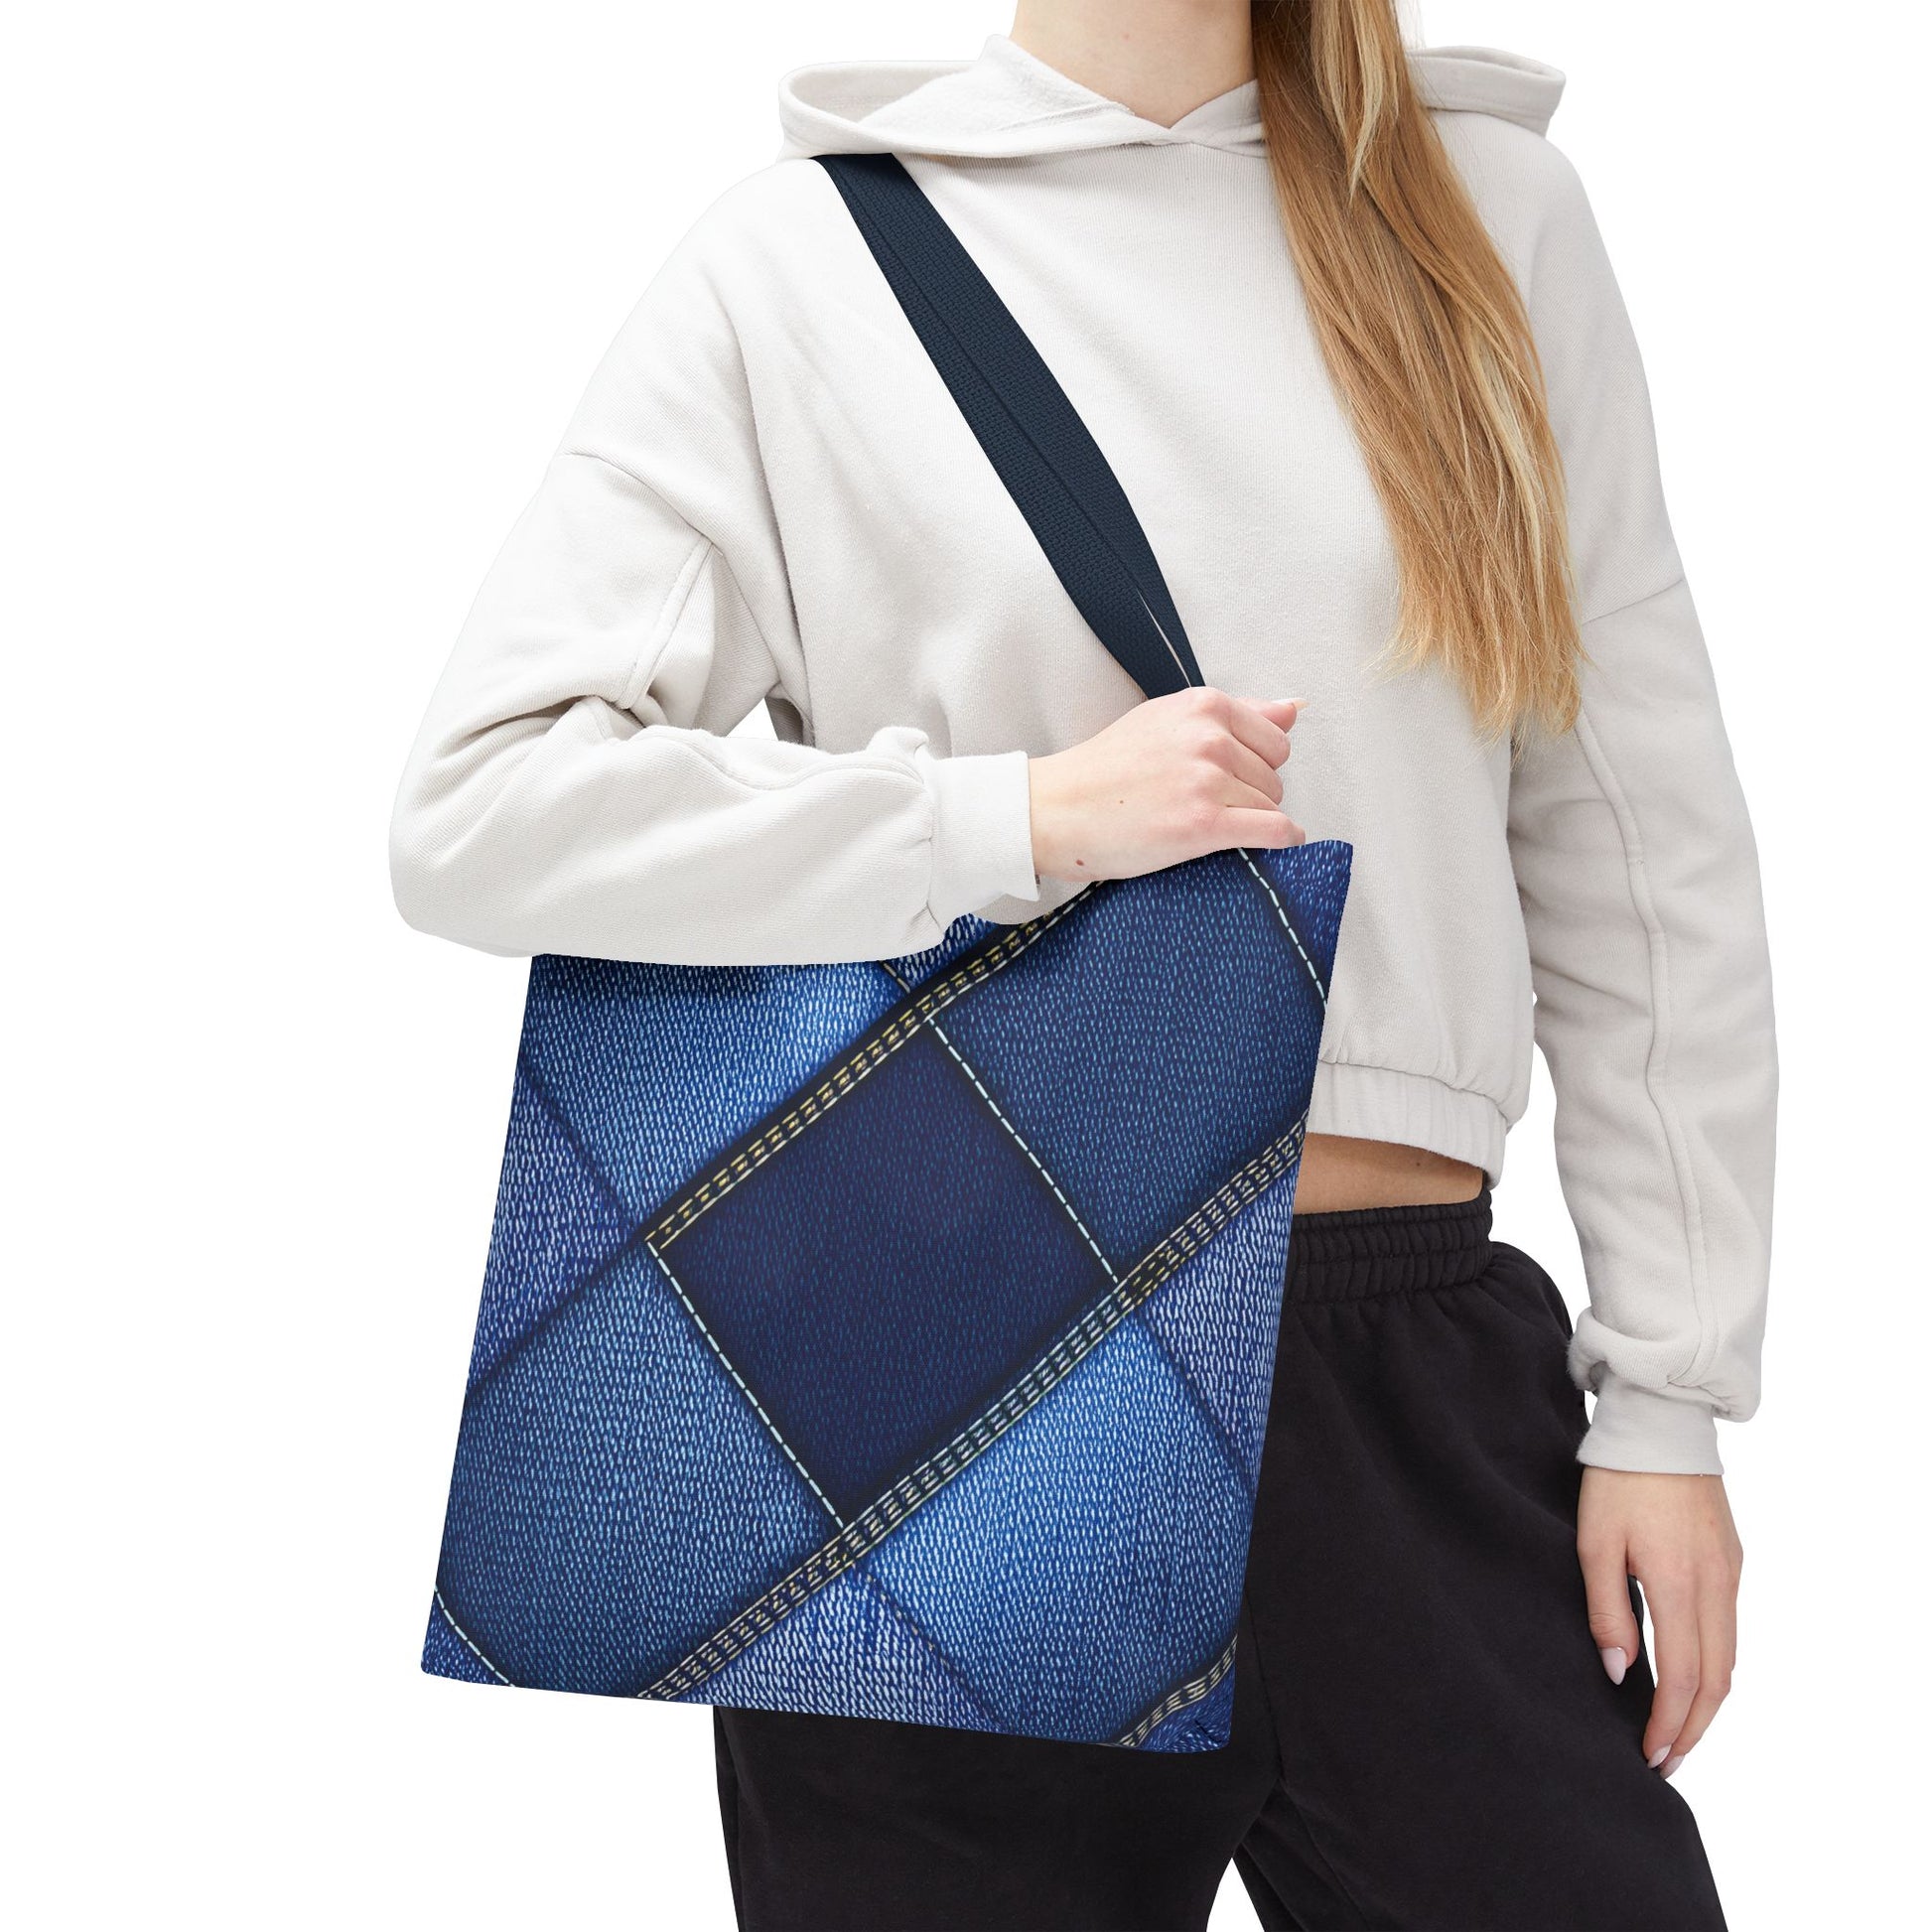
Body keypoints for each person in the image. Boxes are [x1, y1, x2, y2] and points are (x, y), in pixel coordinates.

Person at [389, 3, 1774, 1925]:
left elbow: (1636, 843)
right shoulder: (799, 259)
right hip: (953, 1388)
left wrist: (1667, 1399)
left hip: (1403, 1347)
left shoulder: (1481, 207)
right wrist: (1015, 818)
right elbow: (481, 808)